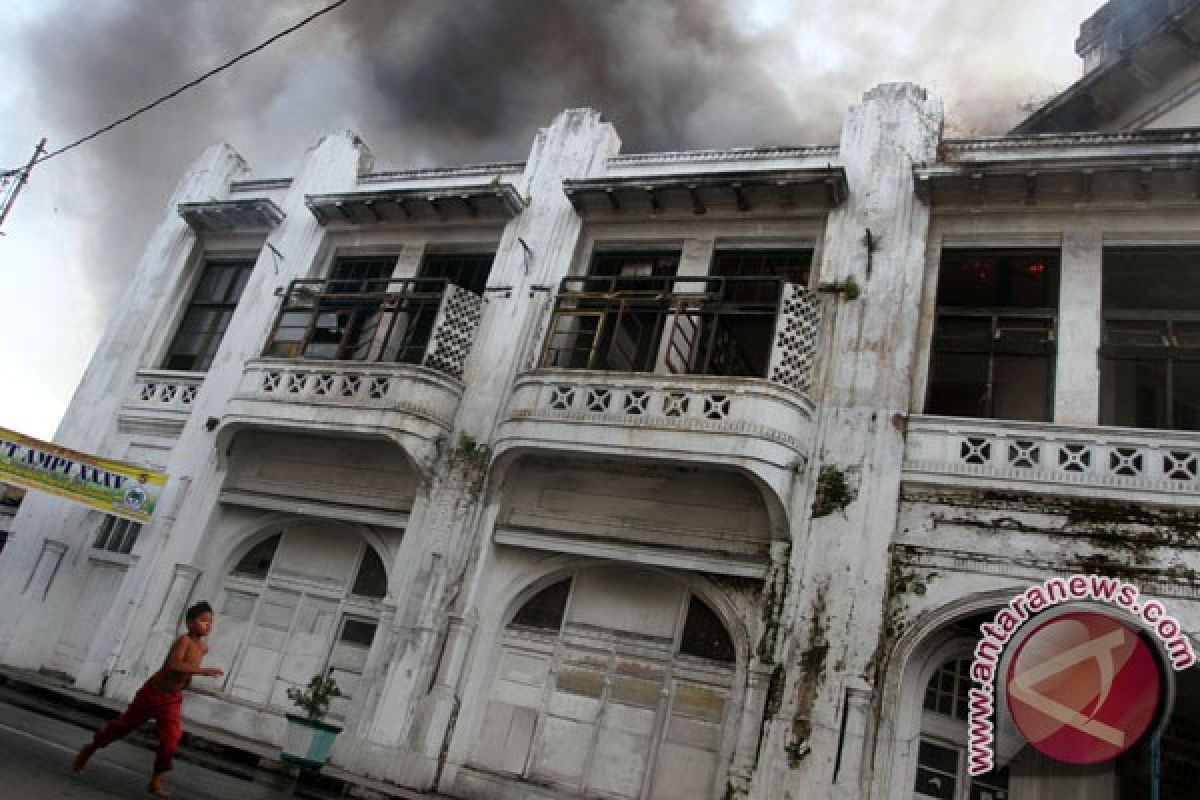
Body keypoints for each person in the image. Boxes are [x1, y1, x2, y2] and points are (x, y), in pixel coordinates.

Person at [72, 600, 224, 798]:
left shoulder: (203, 648)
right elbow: (174, 665)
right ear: (189, 623)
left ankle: (155, 781)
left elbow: (186, 672)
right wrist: (203, 671)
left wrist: (187, 684)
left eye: (210, 622)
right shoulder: (183, 641)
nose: (208, 625)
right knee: (122, 727)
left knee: (171, 738)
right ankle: (89, 749)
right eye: (203, 620)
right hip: (152, 694)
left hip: (171, 699)